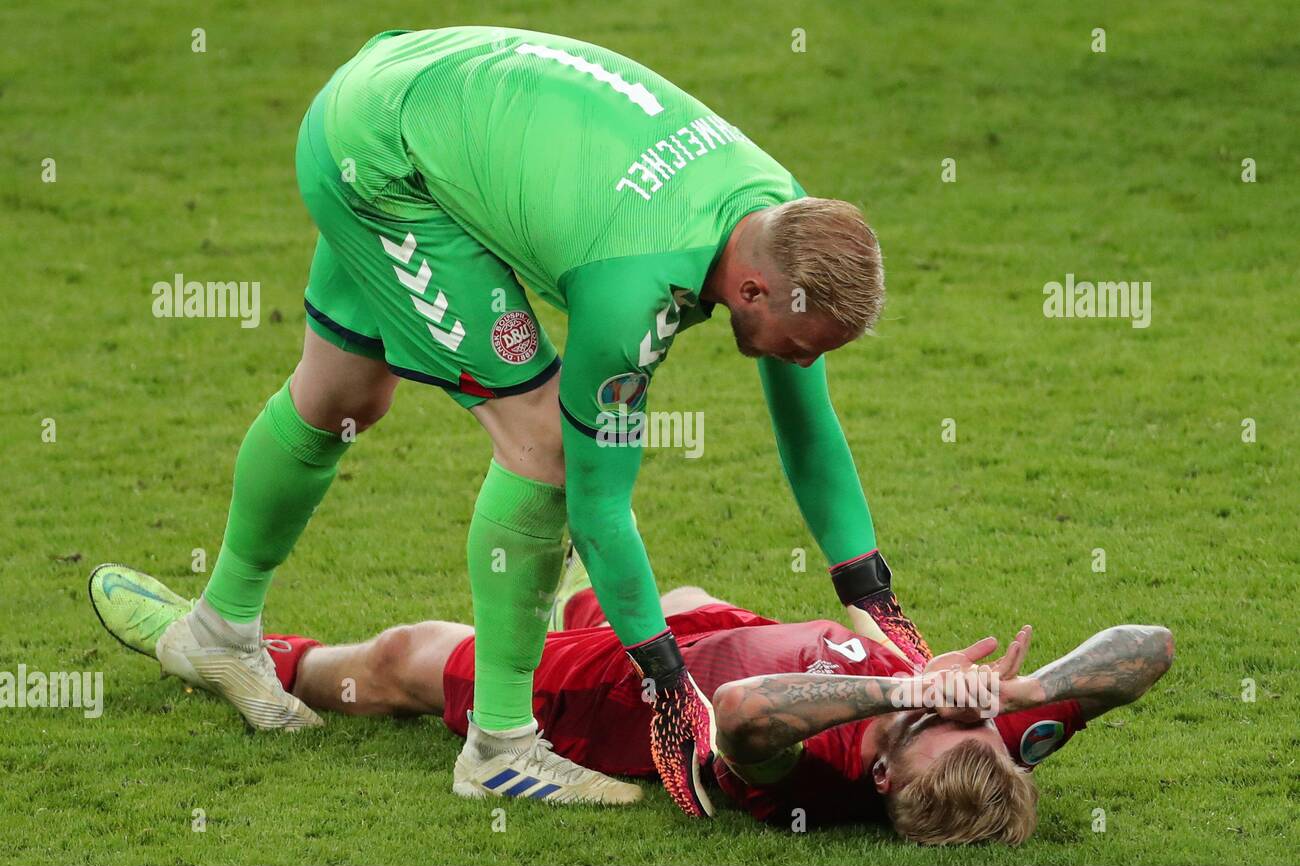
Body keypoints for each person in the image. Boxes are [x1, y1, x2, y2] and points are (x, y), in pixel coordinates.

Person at [98, 25, 912, 816]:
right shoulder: (632, 291)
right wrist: (670, 684)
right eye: (802, 346)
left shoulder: (782, 216)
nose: (803, 362)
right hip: (386, 163)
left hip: (402, 90)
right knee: (546, 449)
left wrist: (874, 602)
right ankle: (499, 749)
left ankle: (219, 629)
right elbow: (597, 507)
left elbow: (807, 429)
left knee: (342, 396)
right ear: (755, 293)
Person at [88, 555, 1174, 842]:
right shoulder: (990, 743)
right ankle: (588, 596)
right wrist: (1021, 691)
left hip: (619, 702)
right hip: (701, 628)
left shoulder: (798, 773)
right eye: (975, 718)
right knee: (674, 591)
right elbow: (1147, 646)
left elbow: (745, 708)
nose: (955, 710)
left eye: (933, 726)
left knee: (417, 657)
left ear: (883, 773)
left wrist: (901, 682)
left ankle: (245, 657)